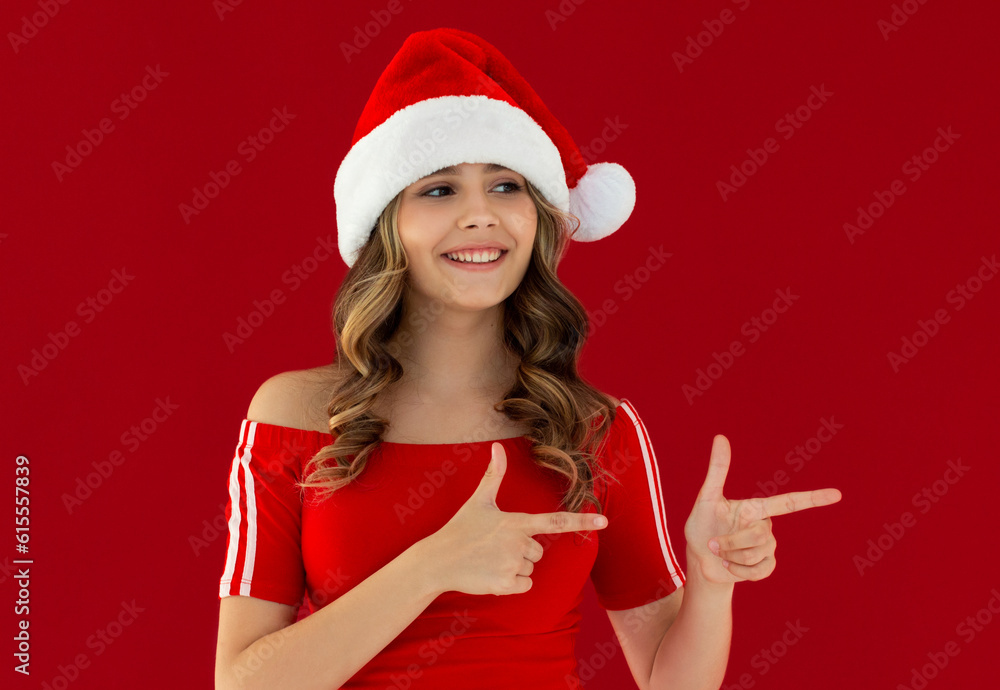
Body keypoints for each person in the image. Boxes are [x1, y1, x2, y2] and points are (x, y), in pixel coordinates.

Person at [214, 28, 842, 690]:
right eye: (438, 190)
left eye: (507, 186)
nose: (481, 215)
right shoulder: (297, 414)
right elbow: (245, 683)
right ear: (384, 223)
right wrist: (435, 565)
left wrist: (710, 583)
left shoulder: (596, 428)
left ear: (539, 219)